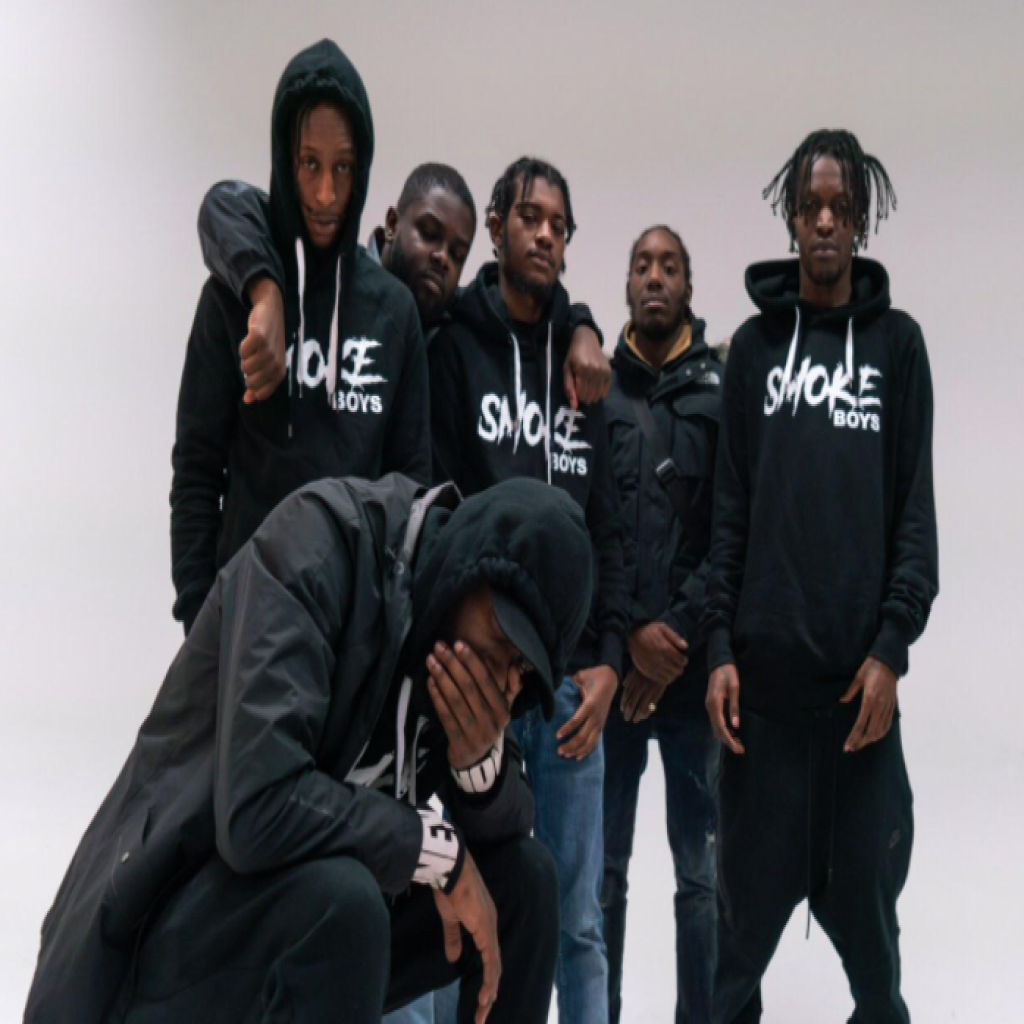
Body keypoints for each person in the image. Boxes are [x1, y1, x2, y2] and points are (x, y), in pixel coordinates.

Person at [25, 474, 597, 1024]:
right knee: (345, 899)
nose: (503, 678)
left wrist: (477, 767)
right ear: (467, 568)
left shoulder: (464, 651)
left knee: (525, 882)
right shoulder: (318, 544)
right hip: (153, 940)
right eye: (503, 637)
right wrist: (432, 850)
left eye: (524, 668)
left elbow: (506, 830)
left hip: (312, 933)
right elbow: (257, 809)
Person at [703, 129, 939, 1023]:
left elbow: (914, 517)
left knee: (877, 979)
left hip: (857, 723)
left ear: (862, 219)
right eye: (811, 207)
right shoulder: (754, 352)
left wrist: (891, 649)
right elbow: (728, 517)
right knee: (731, 978)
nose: (827, 221)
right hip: (758, 722)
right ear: (792, 219)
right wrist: (718, 649)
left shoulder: (898, 348)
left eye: (842, 207)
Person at [429, 156, 627, 1024]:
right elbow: (437, 509)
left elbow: (611, 529)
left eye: (559, 224)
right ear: (497, 227)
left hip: (572, 686)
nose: (545, 234)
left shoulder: (585, 371)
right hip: (483, 680)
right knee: (462, 899)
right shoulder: (455, 349)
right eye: (530, 217)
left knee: (580, 919)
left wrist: (611, 659)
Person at [170, 39, 431, 634]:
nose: (324, 195)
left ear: (363, 168)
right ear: (284, 160)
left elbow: (412, 492)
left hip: (352, 642)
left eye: (343, 168)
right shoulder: (232, 299)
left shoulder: (394, 312)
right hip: (244, 628)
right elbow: (196, 473)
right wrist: (200, 623)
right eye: (309, 164)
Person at [196, 167, 612, 407]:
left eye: (458, 253)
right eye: (429, 233)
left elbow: (513, 308)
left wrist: (582, 327)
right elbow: (225, 204)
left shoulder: (447, 320)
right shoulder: (334, 276)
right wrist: (265, 293)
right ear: (392, 224)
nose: (442, 258)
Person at [601, 226, 722, 1024]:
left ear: (687, 287)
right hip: (611, 680)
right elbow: (591, 529)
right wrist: (629, 642)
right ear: (626, 285)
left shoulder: (721, 391)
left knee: (701, 879)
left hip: (691, 675)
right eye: (642, 265)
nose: (654, 277)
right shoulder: (594, 388)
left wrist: (672, 637)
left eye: (668, 266)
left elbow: (733, 534)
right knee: (602, 875)